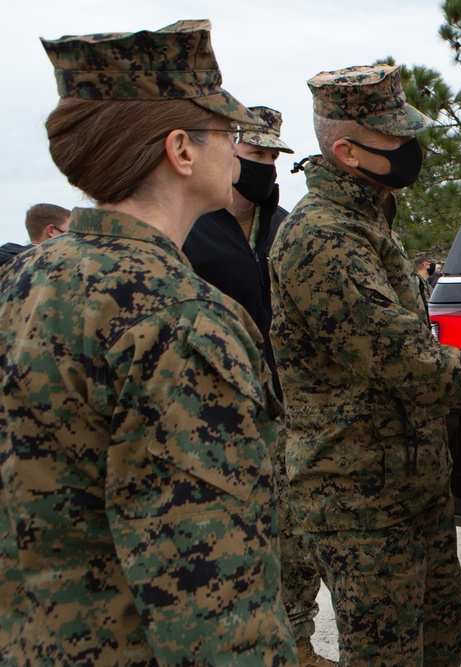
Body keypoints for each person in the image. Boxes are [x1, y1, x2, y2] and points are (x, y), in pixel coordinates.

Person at [0, 20, 297, 664]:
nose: (240, 153)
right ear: (181, 150)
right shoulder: (182, 319)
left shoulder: (21, 279)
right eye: (228, 135)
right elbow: (213, 595)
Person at [268, 63, 461, 667]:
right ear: (346, 150)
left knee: (439, 640)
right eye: (395, 139)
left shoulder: (369, 221)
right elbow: (403, 358)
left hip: (409, 481)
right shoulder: (323, 238)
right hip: (358, 496)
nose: (411, 149)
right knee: (388, 655)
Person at [181, 105, 334, 667]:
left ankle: (297, 642)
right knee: (231, 535)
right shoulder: (190, 227)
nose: (266, 166)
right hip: (218, 409)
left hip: (288, 405)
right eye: (255, 155)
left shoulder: (285, 224)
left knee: (296, 536)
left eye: (274, 156)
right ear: (228, 155)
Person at [0, 203, 71, 266]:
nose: (75, 238)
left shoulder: (11, 263)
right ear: (51, 230)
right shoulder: (50, 267)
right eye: (70, 232)